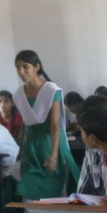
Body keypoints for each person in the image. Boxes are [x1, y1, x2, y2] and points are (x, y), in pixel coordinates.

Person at [13, 50, 80, 204]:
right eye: (18, 67)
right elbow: (25, 122)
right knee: (28, 189)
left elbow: (55, 124)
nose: (21, 71)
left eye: (25, 67)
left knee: (55, 190)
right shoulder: (18, 94)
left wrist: (53, 155)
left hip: (50, 143)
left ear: (37, 67)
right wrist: (22, 150)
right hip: (31, 146)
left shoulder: (51, 90)